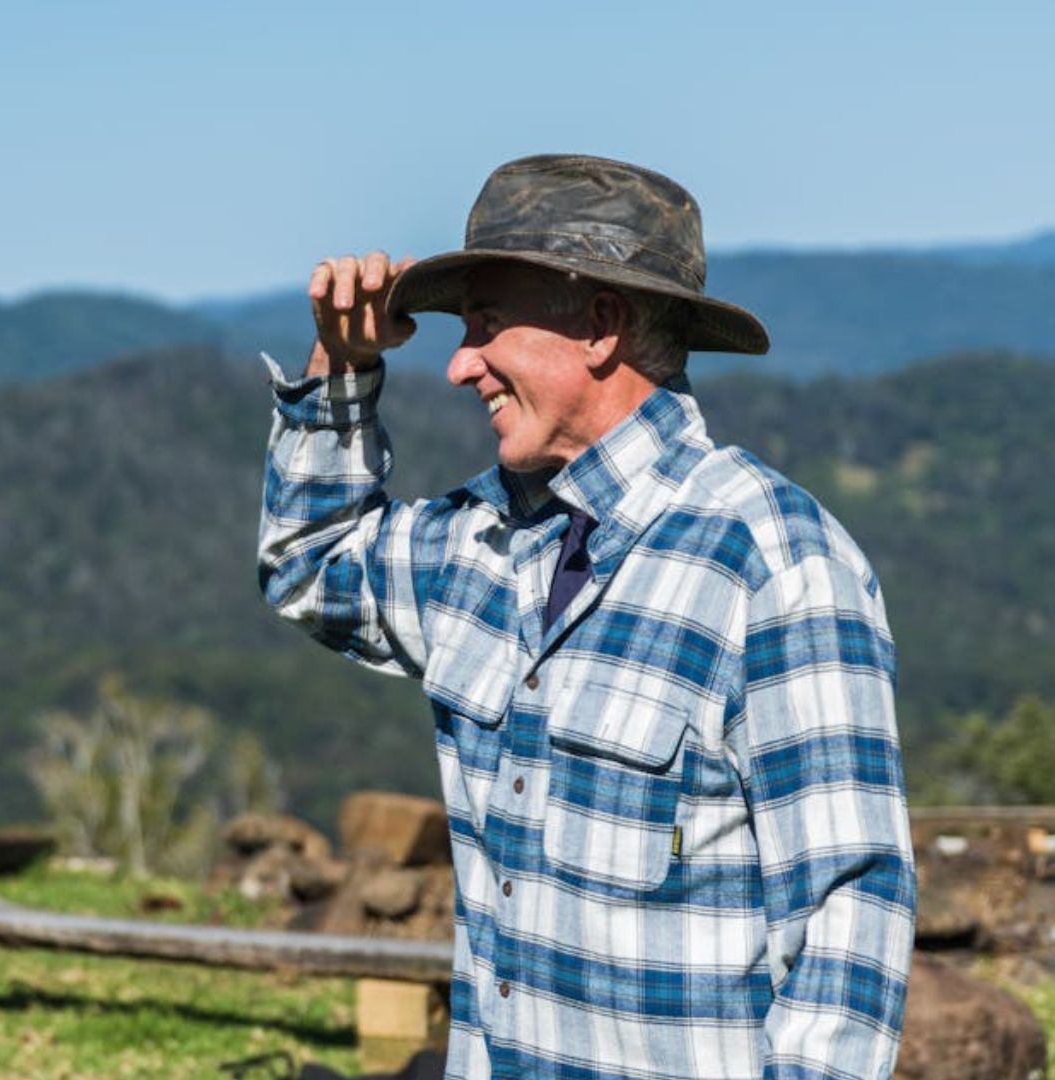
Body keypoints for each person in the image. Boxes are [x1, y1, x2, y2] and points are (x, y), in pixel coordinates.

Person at [258, 155, 915, 1079]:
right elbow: (308, 565)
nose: (456, 365)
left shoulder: (773, 560)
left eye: (485, 323)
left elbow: (847, 915)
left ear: (600, 326)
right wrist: (341, 366)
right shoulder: (474, 544)